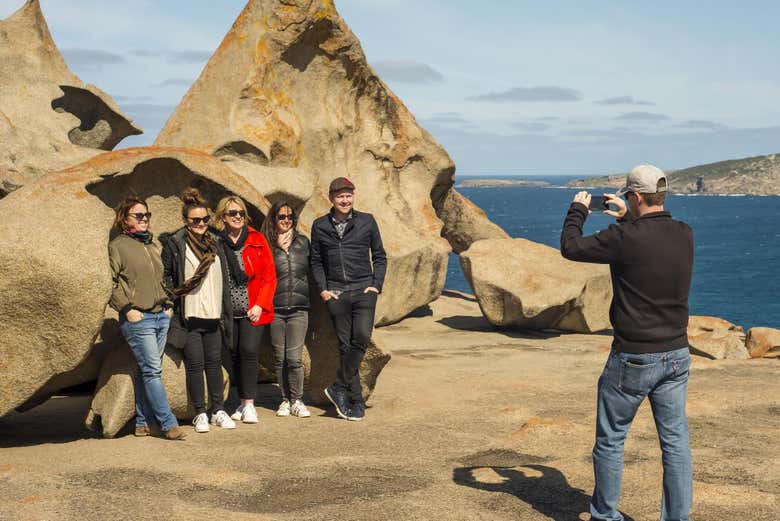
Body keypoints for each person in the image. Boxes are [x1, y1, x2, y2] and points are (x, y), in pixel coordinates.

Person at [560, 164, 694, 521]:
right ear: (661, 195)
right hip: (678, 354)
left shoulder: (625, 239)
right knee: (675, 442)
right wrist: (624, 219)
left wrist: (578, 210)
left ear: (634, 197)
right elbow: (646, 242)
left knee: (611, 439)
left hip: (634, 356)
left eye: (627, 198)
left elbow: (571, 247)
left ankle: (605, 515)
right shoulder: (684, 233)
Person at [108, 196, 186, 440]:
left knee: (146, 372)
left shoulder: (152, 245)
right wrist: (126, 308)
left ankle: (142, 423)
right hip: (138, 318)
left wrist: (169, 304)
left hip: (160, 316)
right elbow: (108, 283)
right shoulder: (118, 246)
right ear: (125, 219)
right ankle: (167, 423)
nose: (144, 219)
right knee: (153, 372)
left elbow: (163, 280)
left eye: (147, 215)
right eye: (138, 215)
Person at [310, 177, 386, 421]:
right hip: (336, 293)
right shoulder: (320, 225)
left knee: (361, 338)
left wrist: (375, 286)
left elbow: (380, 256)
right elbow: (316, 261)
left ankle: (338, 386)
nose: (345, 200)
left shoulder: (367, 221)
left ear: (353, 197)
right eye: (340, 196)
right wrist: (323, 289)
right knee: (345, 347)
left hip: (364, 290)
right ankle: (355, 399)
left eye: (349, 195)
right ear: (331, 198)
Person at [161, 187, 236, 434]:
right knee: (195, 365)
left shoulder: (215, 244)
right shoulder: (175, 244)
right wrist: (170, 303)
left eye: (204, 219)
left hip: (214, 314)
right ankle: (200, 413)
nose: (201, 224)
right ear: (186, 221)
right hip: (189, 315)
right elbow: (167, 277)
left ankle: (218, 410)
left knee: (214, 364)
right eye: (196, 220)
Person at [213, 195, 276, 424]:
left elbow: (269, 276)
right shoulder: (217, 242)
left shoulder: (257, 239)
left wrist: (260, 304)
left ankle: (249, 404)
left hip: (253, 308)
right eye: (232, 213)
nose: (237, 217)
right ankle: (240, 402)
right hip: (228, 310)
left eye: (241, 213)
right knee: (234, 355)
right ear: (223, 217)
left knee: (249, 352)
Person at [262, 201, 312, 418]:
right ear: (274, 219)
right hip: (275, 308)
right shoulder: (267, 245)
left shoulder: (303, 243)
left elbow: (316, 269)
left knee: (294, 359)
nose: (286, 221)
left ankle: (297, 400)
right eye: (281, 217)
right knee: (279, 359)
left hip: (299, 309)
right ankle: (285, 399)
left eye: (289, 217)